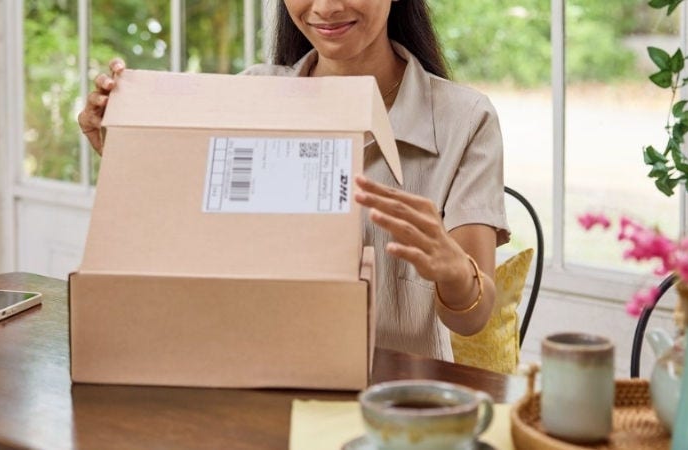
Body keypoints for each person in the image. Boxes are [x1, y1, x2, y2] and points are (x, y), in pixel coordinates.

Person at [77, 0, 509, 362]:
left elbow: (472, 319)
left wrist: (453, 271)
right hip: (252, 375)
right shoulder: (250, 95)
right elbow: (183, 238)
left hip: (393, 407)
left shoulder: (465, 120)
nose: (325, 7)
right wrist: (125, 155)